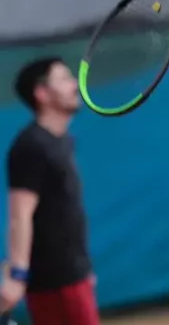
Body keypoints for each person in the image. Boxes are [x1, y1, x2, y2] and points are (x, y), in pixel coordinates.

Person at [1, 58, 100, 324]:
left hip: (75, 275)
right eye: (65, 79)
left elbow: (65, 213)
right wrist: (18, 275)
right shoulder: (31, 146)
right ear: (42, 93)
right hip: (54, 282)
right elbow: (19, 216)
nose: (75, 85)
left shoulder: (63, 142)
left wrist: (84, 267)